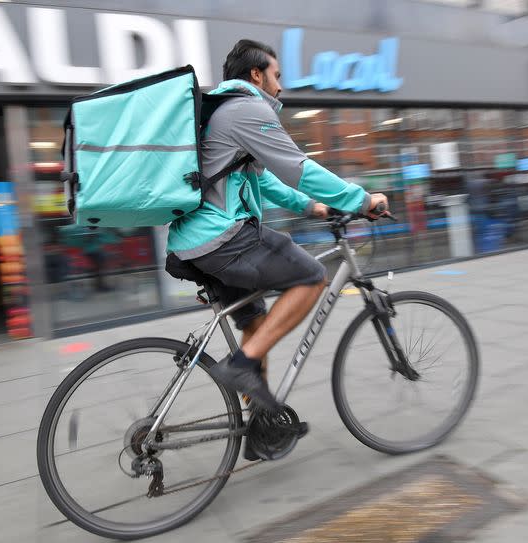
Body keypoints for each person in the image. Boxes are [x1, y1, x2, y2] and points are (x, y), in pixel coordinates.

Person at [167, 39, 389, 411]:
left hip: (195, 242)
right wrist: (361, 200)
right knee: (312, 276)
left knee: (254, 324)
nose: (281, 85)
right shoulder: (246, 109)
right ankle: (241, 367)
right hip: (222, 237)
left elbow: (266, 179)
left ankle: (259, 423)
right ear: (257, 74)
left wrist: (311, 207)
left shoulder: (221, 111)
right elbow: (297, 167)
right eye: (277, 75)